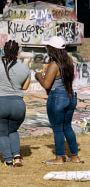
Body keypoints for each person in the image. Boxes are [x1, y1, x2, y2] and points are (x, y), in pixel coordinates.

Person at [0, 40, 31, 166]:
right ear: (17, 52)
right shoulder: (24, 68)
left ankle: (8, 161)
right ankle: (17, 156)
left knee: (1, 133)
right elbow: (25, 87)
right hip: (18, 104)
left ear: (3, 51)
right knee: (13, 130)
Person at [36, 36, 81, 164]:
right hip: (70, 96)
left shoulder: (54, 65)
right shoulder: (69, 62)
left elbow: (46, 84)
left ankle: (59, 157)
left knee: (57, 129)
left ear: (52, 49)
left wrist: (39, 76)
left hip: (57, 98)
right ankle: (74, 157)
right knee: (67, 127)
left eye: (47, 48)